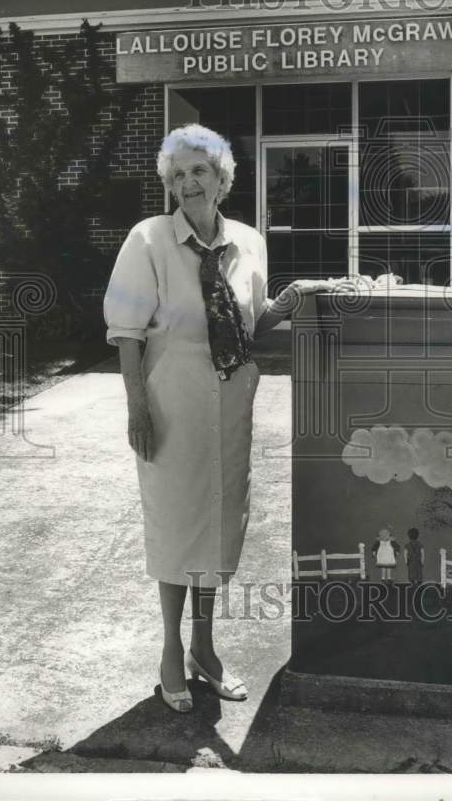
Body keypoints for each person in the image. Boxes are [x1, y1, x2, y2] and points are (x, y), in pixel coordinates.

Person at [103, 123, 340, 713]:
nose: (188, 183)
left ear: (222, 179)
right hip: (171, 403)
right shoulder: (149, 240)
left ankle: (205, 651)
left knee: (217, 524)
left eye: (199, 171)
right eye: (177, 174)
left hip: (231, 404)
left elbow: (251, 323)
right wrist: (137, 407)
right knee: (177, 523)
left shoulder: (249, 242)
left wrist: (293, 298)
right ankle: (169, 650)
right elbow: (127, 335)